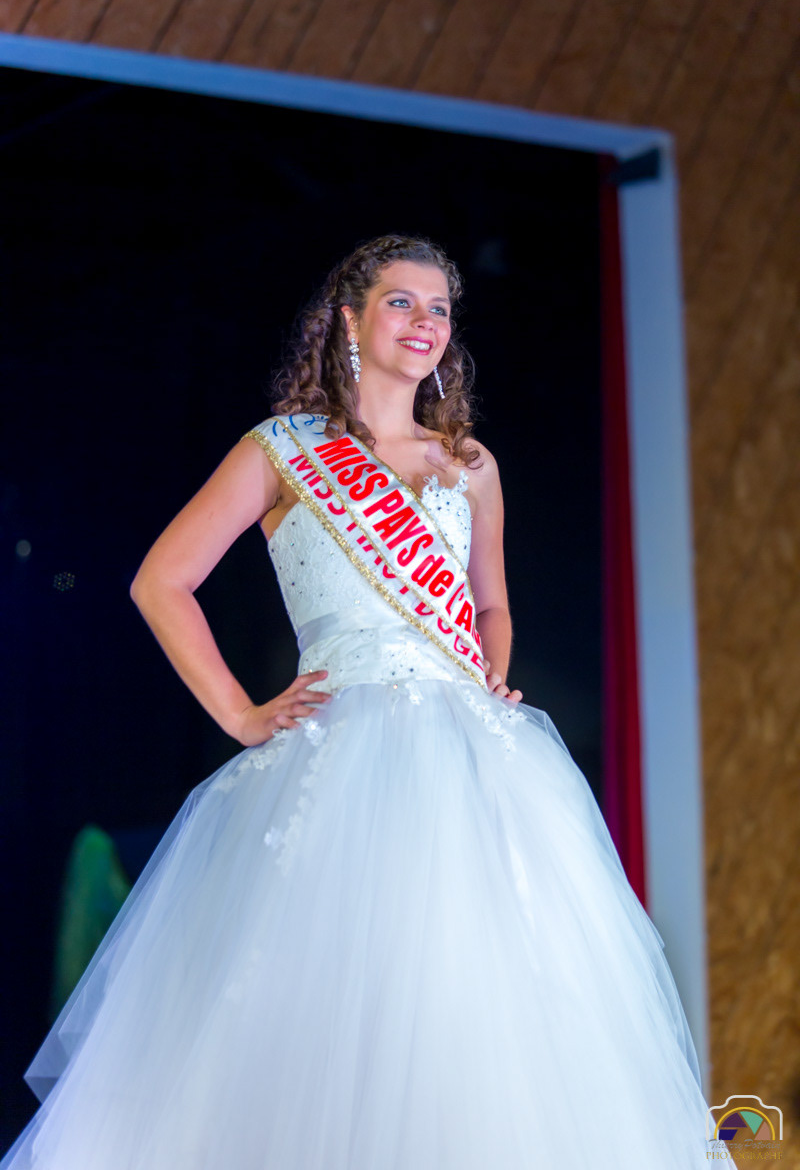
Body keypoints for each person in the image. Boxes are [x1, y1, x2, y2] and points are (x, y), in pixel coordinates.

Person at [2, 234, 731, 1169]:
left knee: (487, 1010)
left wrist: (492, 676)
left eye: (440, 309)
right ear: (349, 319)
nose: (424, 323)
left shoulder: (470, 463)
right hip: (337, 758)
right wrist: (238, 714)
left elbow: (491, 602)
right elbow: (161, 582)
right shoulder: (282, 451)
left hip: (475, 762)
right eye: (401, 302)